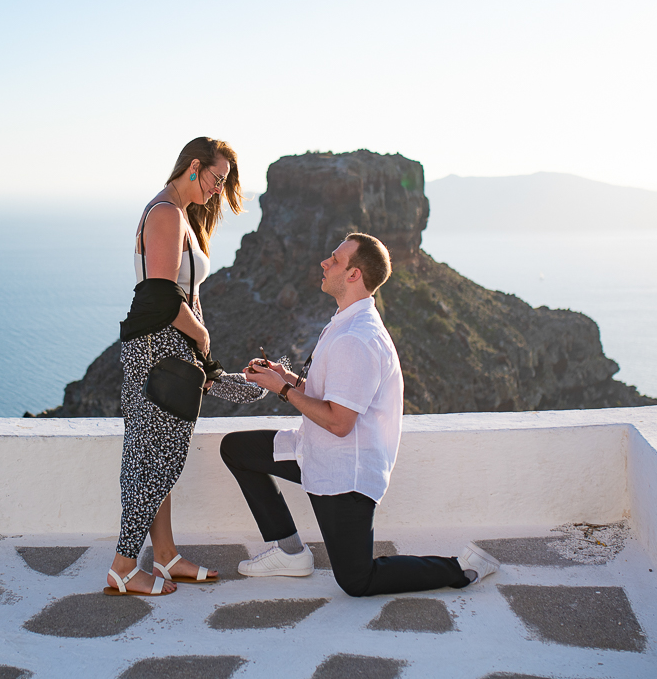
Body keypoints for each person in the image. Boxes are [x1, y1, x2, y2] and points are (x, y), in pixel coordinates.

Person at [229, 232, 502, 596]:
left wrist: (283, 389)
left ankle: (462, 568)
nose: (325, 263)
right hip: (315, 451)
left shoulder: (356, 339)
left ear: (355, 274)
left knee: (357, 581)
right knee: (237, 449)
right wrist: (286, 377)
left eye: (335, 260)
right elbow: (333, 396)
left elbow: (339, 423)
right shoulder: (345, 323)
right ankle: (290, 552)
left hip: (346, 474)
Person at [106, 137, 268, 597]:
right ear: (194, 166)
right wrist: (199, 335)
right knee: (154, 461)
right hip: (159, 349)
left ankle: (165, 556)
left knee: (156, 457)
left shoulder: (178, 214)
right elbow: (159, 293)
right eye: (217, 178)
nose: (218, 189)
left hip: (167, 349)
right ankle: (122, 566)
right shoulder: (165, 214)